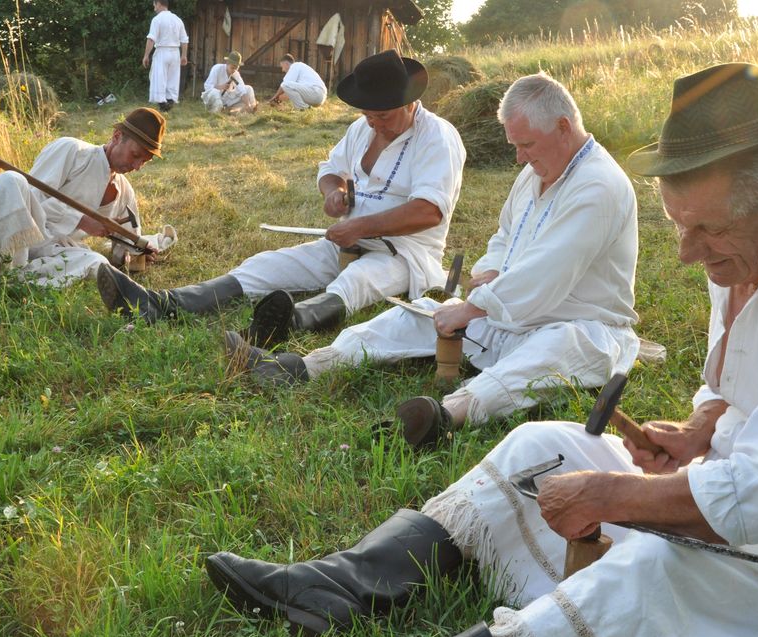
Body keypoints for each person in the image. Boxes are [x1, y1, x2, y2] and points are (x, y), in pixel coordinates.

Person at [204, 62, 758, 637]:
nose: (688, 254)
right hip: (742, 485)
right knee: (539, 444)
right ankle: (341, 584)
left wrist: (610, 495)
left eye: (708, 230)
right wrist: (700, 429)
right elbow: (732, 387)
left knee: (661, 564)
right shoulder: (743, 253)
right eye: (679, 226)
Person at [229, 72, 640, 448]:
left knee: (551, 352)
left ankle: (441, 417)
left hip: (580, 327)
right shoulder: (536, 171)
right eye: (515, 146)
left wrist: (472, 308)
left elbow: (547, 273)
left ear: (563, 127)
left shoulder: (598, 186)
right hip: (509, 314)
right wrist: (489, 270)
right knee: (418, 313)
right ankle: (304, 366)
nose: (519, 158)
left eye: (526, 145)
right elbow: (504, 235)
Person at [96, 50, 465, 334]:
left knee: (356, 283)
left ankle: (281, 327)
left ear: (408, 102)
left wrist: (361, 227)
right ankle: (160, 303)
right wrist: (333, 193)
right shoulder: (362, 128)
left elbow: (429, 211)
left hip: (402, 254)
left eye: (382, 116)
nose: (373, 122)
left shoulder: (437, 137)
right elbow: (330, 170)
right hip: (346, 241)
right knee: (264, 266)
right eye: (368, 114)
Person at [0, 108, 168, 309]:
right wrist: (81, 220)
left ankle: (5, 282)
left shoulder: (125, 192)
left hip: (54, 253)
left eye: (144, 161)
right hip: (21, 237)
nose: (137, 165)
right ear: (117, 136)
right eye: (135, 155)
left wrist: (138, 251)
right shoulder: (72, 150)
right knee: (11, 180)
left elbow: (126, 243)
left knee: (96, 261)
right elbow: (28, 199)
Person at [144, 0, 188, 113]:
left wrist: (146, 55)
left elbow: (151, 39)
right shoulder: (177, 19)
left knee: (159, 78)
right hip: (175, 53)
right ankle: (169, 103)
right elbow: (184, 39)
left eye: (154, 4)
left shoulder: (157, 19)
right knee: (172, 78)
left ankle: (163, 105)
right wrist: (184, 55)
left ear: (158, 3)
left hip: (162, 51)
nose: (154, 7)